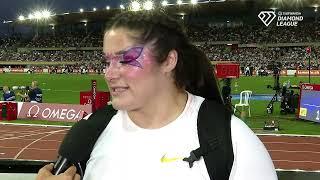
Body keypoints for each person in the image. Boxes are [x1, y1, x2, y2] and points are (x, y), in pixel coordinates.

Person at [36, 11, 277, 180]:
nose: (109, 74)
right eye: (106, 61)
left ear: (168, 61)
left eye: (126, 59)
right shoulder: (88, 133)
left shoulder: (231, 140)